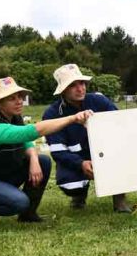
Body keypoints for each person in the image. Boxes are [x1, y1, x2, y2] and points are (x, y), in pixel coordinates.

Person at [0, 77, 93, 230]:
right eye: (11, 99)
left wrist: (33, 158)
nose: (19, 101)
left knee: (43, 161)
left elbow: (25, 141)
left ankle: (28, 215)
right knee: (19, 202)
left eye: (20, 96)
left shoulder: (13, 118)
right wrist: (73, 118)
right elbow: (30, 132)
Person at [43, 64, 131, 212]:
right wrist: (80, 163)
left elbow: (120, 124)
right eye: (73, 85)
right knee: (71, 185)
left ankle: (119, 198)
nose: (80, 88)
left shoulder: (99, 101)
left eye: (82, 83)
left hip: (107, 152)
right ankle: (78, 195)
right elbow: (58, 152)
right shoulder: (51, 114)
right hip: (77, 158)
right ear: (63, 90)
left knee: (124, 156)